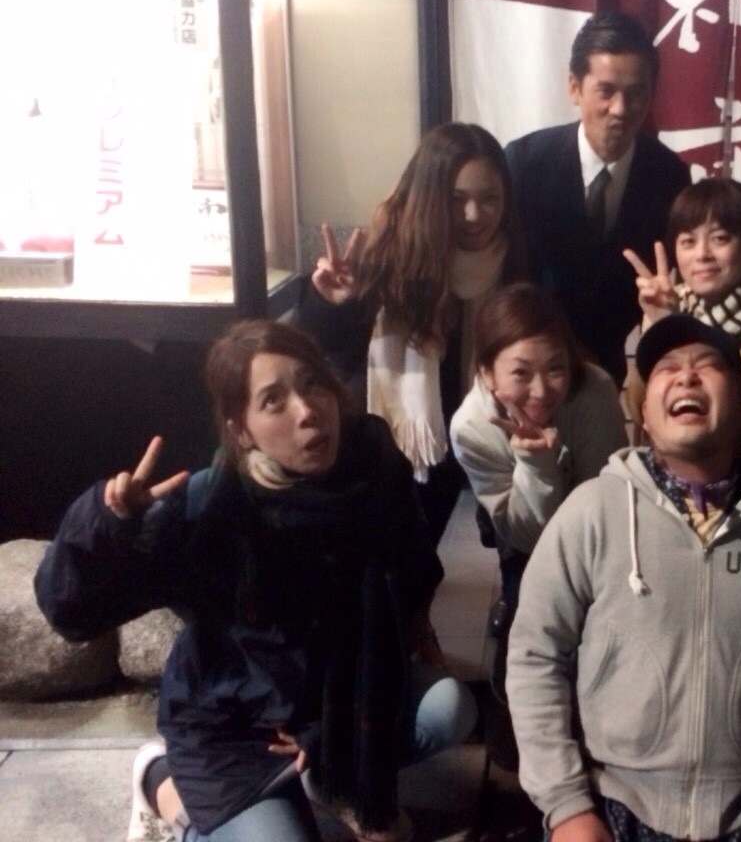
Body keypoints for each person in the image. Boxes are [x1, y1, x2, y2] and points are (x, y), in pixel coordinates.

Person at [35, 320, 477, 842]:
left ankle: (331, 780)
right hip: (235, 728)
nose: (306, 410)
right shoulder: (213, 509)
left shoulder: (375, 468)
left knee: (448, 709)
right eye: (273, 401)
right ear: (241, 430)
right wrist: (106, 528)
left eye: (312, 383)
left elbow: (413, 567)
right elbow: (73, 613)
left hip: (331, 706)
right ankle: (161, 783)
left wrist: (406, 646)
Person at [507, 314, 741, 842]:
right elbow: (535, 656)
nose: (686, 376)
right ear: (644, 413)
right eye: (666, 369)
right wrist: (567, 807)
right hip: (611, 806)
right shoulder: (592, 511)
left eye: (708, 365)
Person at [298, 122, 528, 552]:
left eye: (489, 199)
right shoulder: (389, 255)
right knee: (397, 556)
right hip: (402, 445)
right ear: (430, 197)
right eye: (456, 199)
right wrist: (332, 303)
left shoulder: (516, 257)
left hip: (483, 433)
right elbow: (329, 354)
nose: (474, 215)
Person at [449, 282, 628, 772]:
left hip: (594, 527)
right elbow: (529, 536)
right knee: (527, 609)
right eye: (520, 373)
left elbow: (606, 499)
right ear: (487, 372)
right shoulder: (472, 427)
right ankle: (514, 730)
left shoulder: (593, 390)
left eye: (555, 367)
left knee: (598, 620)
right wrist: (537, 464)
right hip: (522, 531)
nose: (542, 389)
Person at [505, 11, 691, 383]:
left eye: (636, 93)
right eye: (606, 91)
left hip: (607, 372)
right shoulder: (524, 164)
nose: (621, 109)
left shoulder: (669, 176)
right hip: (525, 367)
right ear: (574, 87)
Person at [622, 177, 741, 424]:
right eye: (688, 242)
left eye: (719, 238)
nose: (702, 255)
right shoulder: (667, 304)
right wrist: (663, 327)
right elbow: (640, 412)